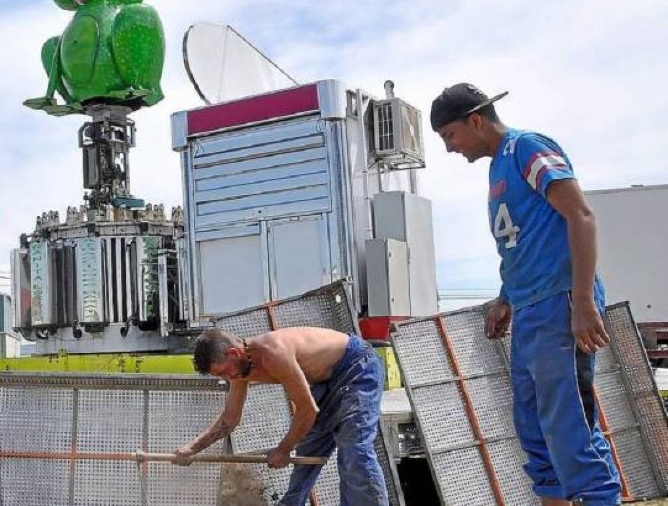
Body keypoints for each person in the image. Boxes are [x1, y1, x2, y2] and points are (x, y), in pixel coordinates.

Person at [431, 83, 620, 506]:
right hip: (529, 308)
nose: (449, 149)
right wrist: (505, 298)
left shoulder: (526, 149)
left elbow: (581, 216)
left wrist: (584, 302)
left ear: (476, 121)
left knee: (570, 429)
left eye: (450, 136)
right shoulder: (497, 169)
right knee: (535, 430)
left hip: (561, 303)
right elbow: (525, 241)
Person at [173, 326, 388, 506]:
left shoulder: (273, 352)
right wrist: (193, 448)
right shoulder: (238, 369)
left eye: (222, 372)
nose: (227, 378)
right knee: (307, 453)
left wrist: (283, 450)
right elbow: (230, 420)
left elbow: (307, 410)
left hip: (356, 368)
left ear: (233, 353)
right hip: (326, 383)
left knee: (355, 450)